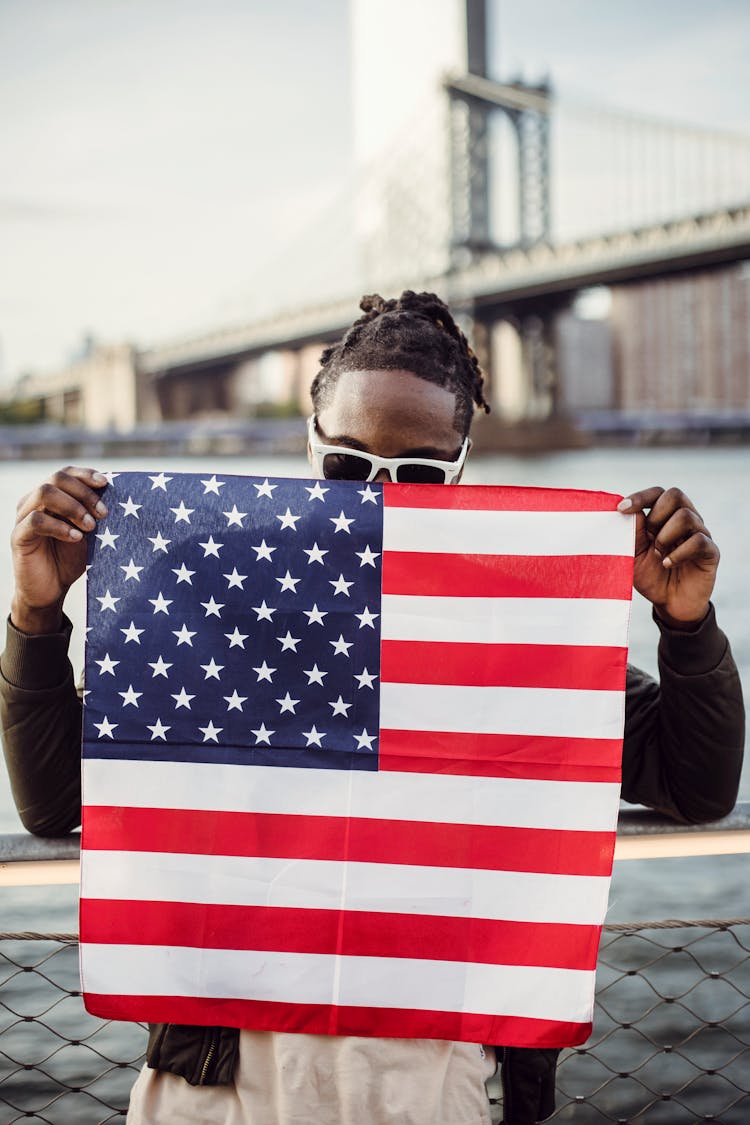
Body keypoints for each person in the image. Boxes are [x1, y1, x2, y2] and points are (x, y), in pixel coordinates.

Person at [1, 290, 744, 1125]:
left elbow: (696, 785)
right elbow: (55, 799)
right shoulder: (219, 602)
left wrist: (686, 622)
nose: (377, 497)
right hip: (218, 1082)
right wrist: (36, 616)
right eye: (350, 464)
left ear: (463, 464)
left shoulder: (523, 626)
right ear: (309, 443)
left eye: (419, 474)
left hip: (442, 1083)